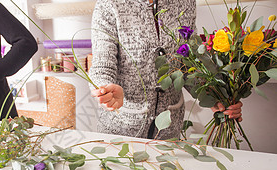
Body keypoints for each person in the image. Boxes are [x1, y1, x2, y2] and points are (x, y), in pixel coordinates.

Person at [89, 0, 241, 139]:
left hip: (169, 131)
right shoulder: (109, 4)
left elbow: (187, 63)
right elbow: (102, 65)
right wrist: (105, 90)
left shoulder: (185, 3)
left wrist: (214, 96)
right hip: (121, 131)